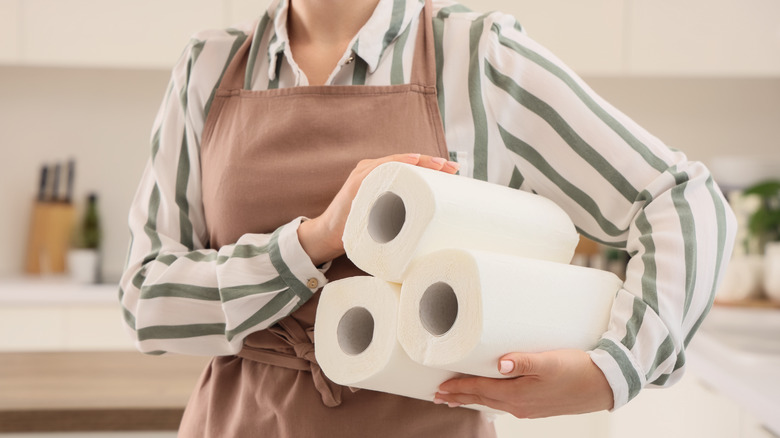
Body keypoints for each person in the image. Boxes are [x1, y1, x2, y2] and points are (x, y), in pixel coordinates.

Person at [119, 0, 736, 436]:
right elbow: (145, 300)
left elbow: (683, 197)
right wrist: (311, 243)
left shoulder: (475, 57)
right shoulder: (208, 69)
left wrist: (618, 366)